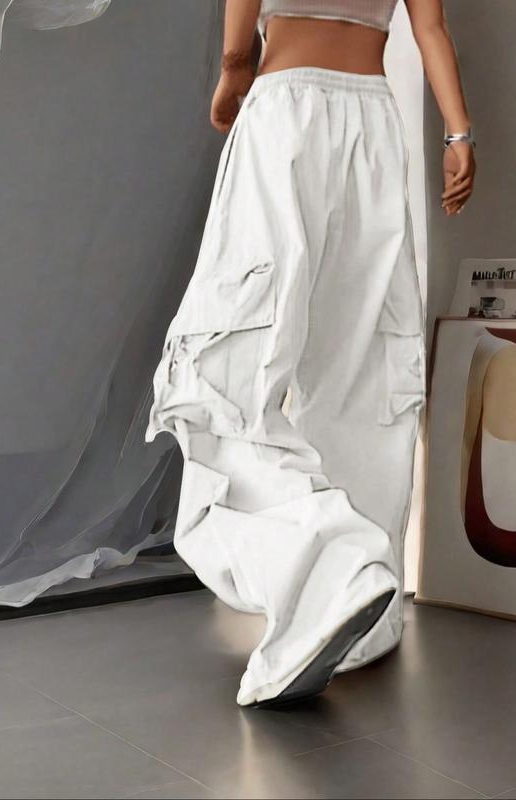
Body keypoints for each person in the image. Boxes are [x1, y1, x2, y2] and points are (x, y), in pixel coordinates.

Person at [146, 0, 476, 708]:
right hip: (373, 123)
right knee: (363, 369)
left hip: (286, 112)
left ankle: (329, 568)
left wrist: (233, 77)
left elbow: (240, 37)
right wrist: (458, 134)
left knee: (228, 364)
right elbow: (430, 29)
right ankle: (364, 608)